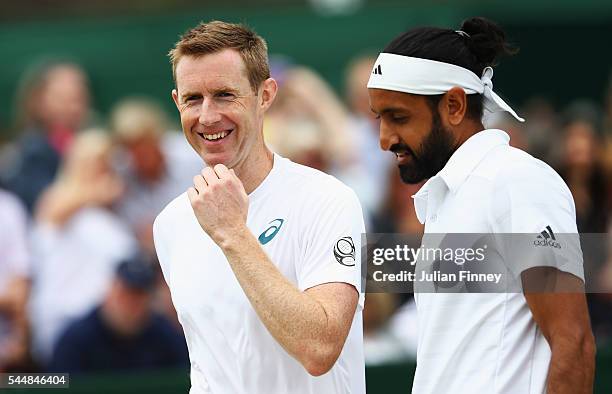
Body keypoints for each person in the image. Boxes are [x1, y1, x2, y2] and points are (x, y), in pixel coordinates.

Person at [367, 17, 595, 394]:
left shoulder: (516, 181)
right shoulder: (449, 195)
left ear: (454, 105)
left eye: (399, 117)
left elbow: (574, 345)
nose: (384, 139)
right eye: (380, 118)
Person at [153, 21, 365, 393]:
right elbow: (209, 363)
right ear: (176, 103)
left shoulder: (327, 200)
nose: (207, 116)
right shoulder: (169, 223)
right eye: (192, 99)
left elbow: (320, 348)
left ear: (265, 95)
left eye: (224, 95)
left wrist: (233, 233)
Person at [29, 130, 136, 364]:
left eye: (108, 164)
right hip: (64, 319)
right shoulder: (58, 197)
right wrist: (98, 192)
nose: (104, 171)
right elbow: (55, 213)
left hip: (109, 324)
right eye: (97, 164)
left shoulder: (114, 215)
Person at [48, 256, 188, 373]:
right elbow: (56, 384)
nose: (130, 304)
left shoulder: (166, 337)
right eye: (125, 294)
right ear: (110, 291)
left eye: (139, 296)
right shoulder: (76, 340)